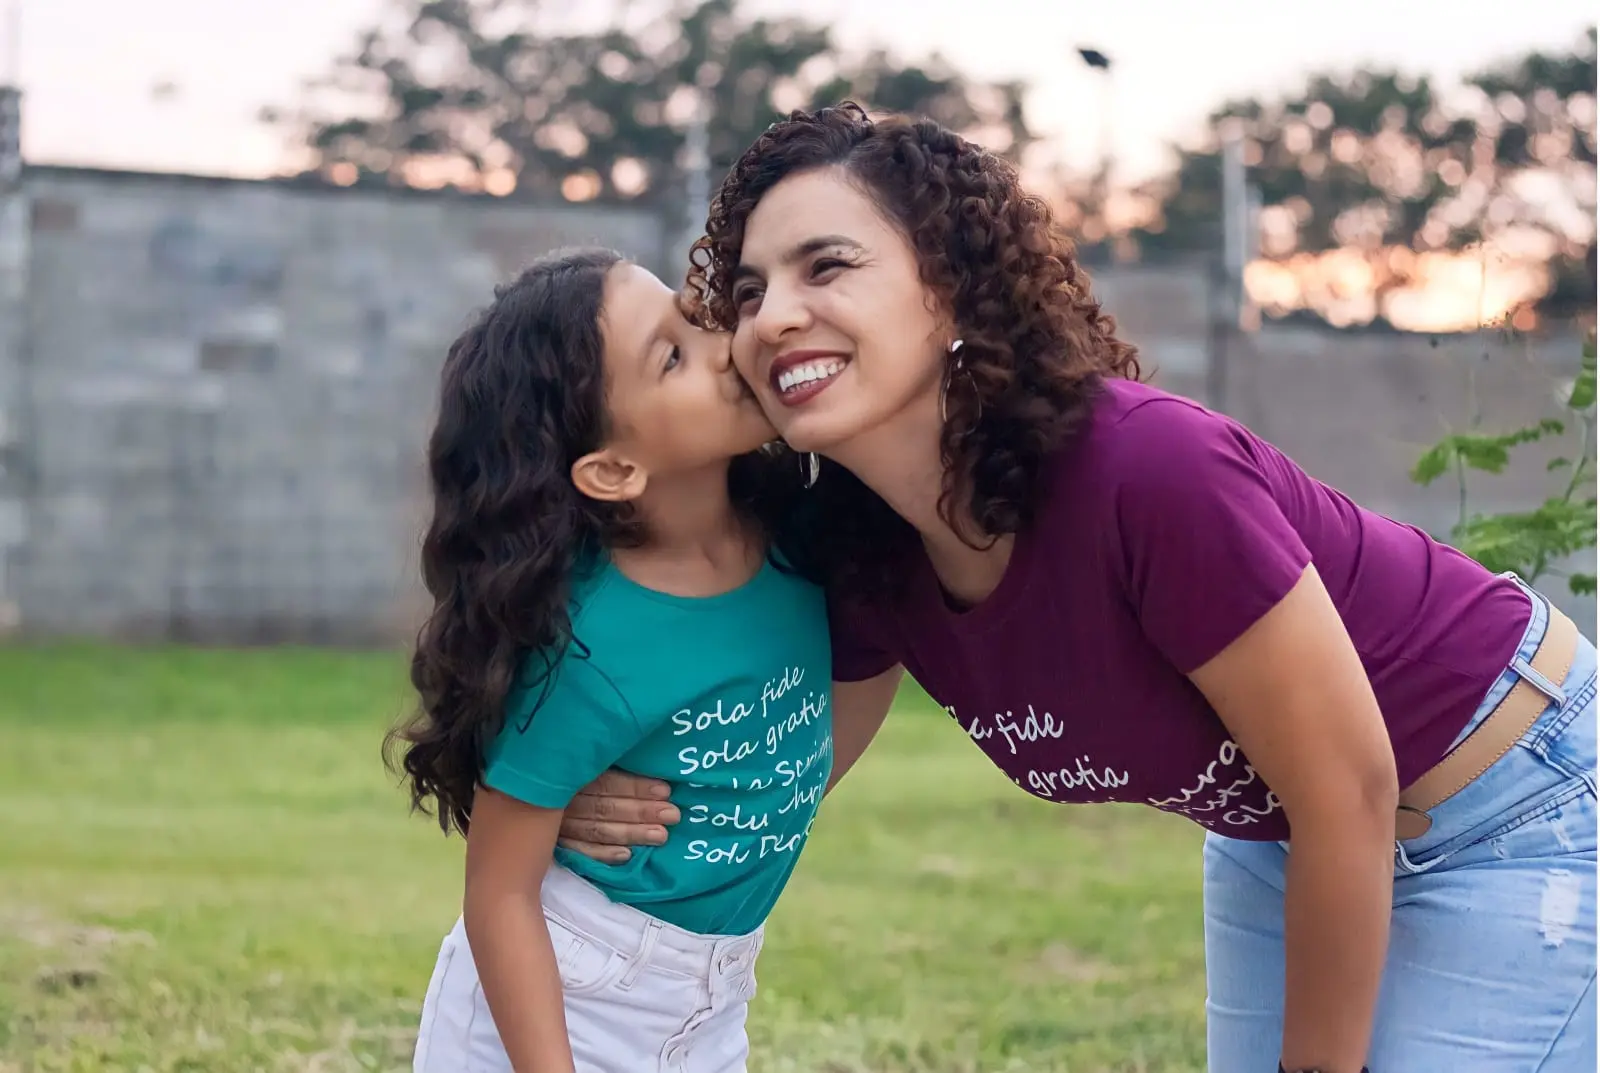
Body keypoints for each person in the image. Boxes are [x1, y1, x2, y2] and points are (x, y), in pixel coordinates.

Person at [555, 104, 1598, 1073]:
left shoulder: (1145, 471)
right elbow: (784, 774)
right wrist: (574, 800)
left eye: (826, 265)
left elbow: (1350, 786)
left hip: (1514, 799)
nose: (773, 316)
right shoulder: (862, 543)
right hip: (1285, 834)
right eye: (747, 291)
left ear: (950, 287)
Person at [388, 247, 894, 1073]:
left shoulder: (799, 544)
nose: (724, 342)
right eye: (672, 355)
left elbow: (807, 743)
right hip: (567, 995)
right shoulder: (590, 645)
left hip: (712, 998)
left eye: (693, 319)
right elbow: (501, 892)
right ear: (615, 468)